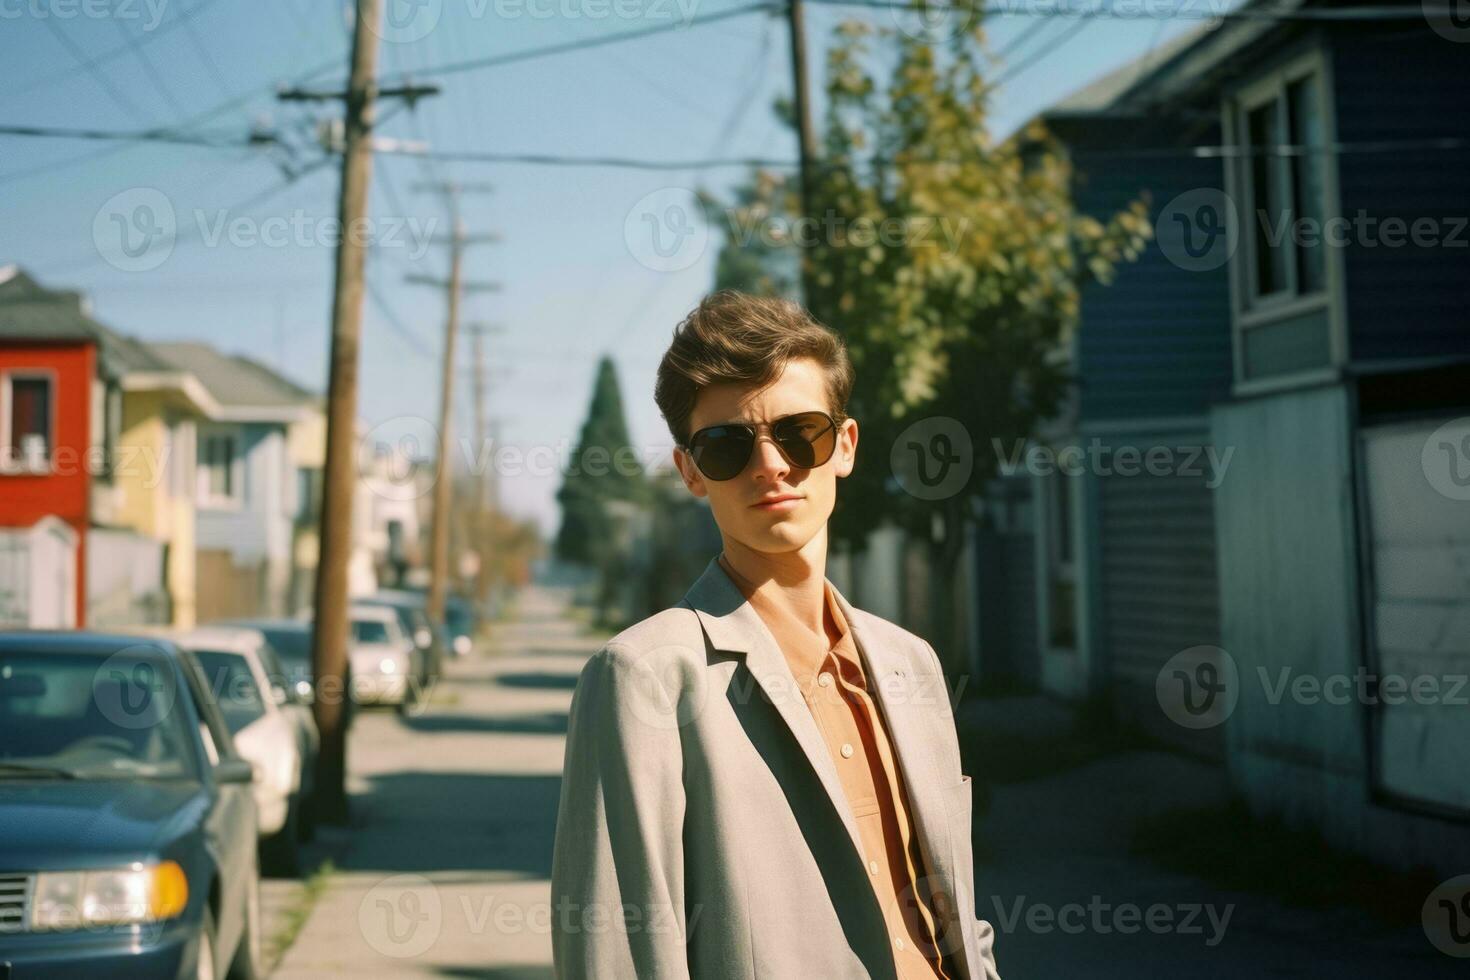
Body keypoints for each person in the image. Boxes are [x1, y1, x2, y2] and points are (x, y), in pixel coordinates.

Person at [550, 290, 1001, 980]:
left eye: (801, 433)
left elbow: (955, 914)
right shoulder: (645, 678)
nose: (771, 465)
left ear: (843, 447)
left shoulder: (913, 665)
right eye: (728, 445)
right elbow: (616, 957)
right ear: (691, 472)